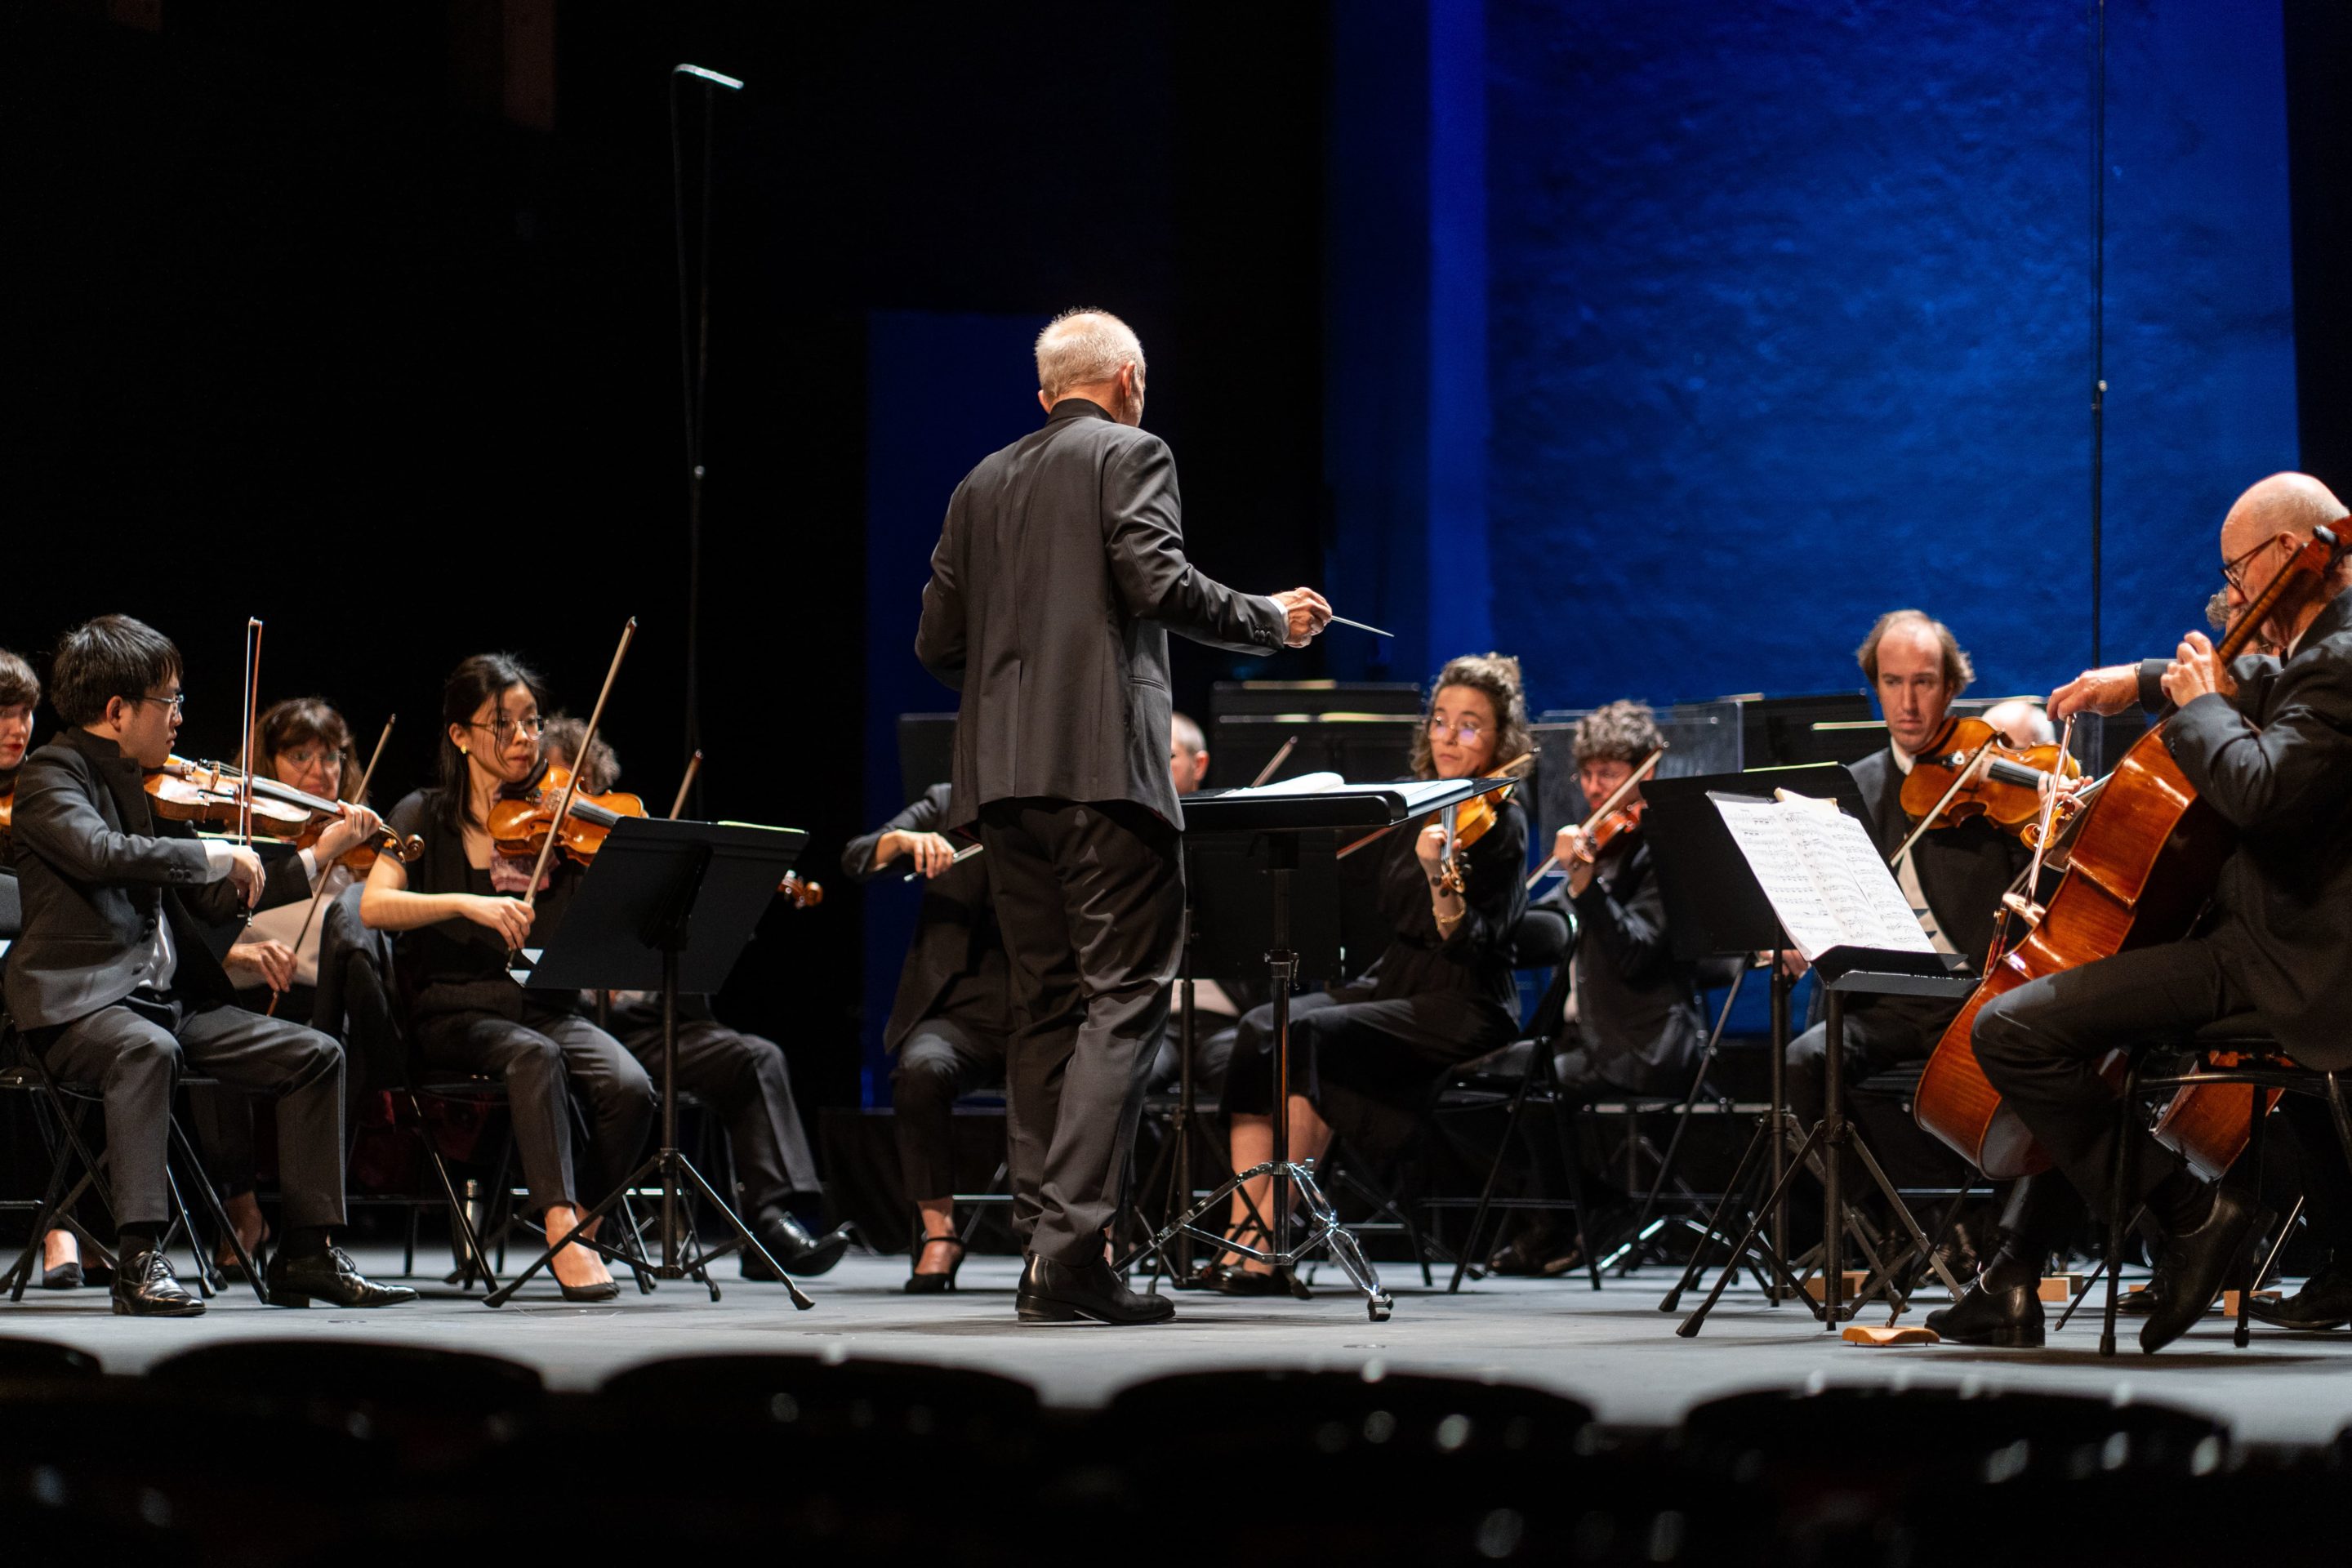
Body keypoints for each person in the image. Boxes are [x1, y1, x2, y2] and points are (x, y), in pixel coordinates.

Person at [915, 306, 1330, 1324]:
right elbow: (1155, 580)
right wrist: (1269, 620)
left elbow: (937, 641)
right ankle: (1071, 1254)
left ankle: (1041, 1252)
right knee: (1125, 1000)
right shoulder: (1132, 452)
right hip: (1105, 773)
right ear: (1130, 379)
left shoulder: (979, 482)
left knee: (1045, 1007)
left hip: (1001, 787)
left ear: (1046, 391)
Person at [1940, 472, 2352, 1352]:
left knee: (2014, 1032)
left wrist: (2199, 703)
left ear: (2287, 553)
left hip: (2293, 968)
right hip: (2264, 944)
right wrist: (2142, 680)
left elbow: (2261, 788)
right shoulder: (2316, 652)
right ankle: (2017, 1271)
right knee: (2092, 1018)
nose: (2234, 594)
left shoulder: (2342, 662)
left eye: (2236, 571)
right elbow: (2258, 685)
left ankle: (2190, 1213)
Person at [4, 615, 414, 1315]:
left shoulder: (151, 785)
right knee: (145, 1048)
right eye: (170, 701)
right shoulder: (52, 776)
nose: (180, 716)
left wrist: (317, 855)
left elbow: (220, 902)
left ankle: (308, 1254)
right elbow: (102, 852)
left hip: (167, 1005)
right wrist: (212, 852)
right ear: (117, 710)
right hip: (80, 1008)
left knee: (316, 1053)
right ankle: (139, 1256)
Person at [1209, 653, 1530, 1294]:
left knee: (1314, 1037)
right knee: (1258, 1026)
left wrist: (1443, 877)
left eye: (1471, 726)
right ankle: (1243, 1233)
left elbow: (1473, 944)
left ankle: (1270, 1248)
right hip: (1395, 983)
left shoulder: (1499, 824)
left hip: (1464, 1000)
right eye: (1441, 721)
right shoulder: (1411, 806)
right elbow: (1367, 913)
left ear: (1501, 741)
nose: (1449, 736)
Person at [361, 653, 656, 1303]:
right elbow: (373, 905)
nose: (525, 739)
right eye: (505, 725)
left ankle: (587, 1221)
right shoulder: (423, 815)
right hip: (457, 1012)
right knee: (535, 1056)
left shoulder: (558, 818)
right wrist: (466, 903)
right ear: (461, 735)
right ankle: (558, 1227)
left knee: (631, 1087)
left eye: (531, 722)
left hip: (546, 1004)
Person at [537, 718, 852, 1279]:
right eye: (564, 786)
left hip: (657, 1024)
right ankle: (591, 1219)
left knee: (757, 1057)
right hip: (585, 1026)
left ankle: (769, 1223)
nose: (575, 803)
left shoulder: (632, 857)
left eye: (587, 786)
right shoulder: (541, 863)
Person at [1488, 700, 1702, 1277]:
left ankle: (1568, 1220)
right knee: (1477, 1083)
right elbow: (1551, 929)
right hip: (1586, 1038)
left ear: (1645, 773)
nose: (1593, 786)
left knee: (1531, 1089)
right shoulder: (1599, 849)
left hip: (1644, 1042)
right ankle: (1590, 1210)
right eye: (1587, 772)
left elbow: (1634, 951)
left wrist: (1585, 886)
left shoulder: (1665, 851)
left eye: (1608, 772)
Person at [844, 782, 1004, 1292]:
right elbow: (857, 856)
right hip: (958, 1014)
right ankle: (941, 1233)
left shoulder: (1061, 805)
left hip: (1043, 1006)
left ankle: (1071, 1235)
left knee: (1078, 1076)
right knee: (920, 1070)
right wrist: (907, 842)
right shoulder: (949, 801)